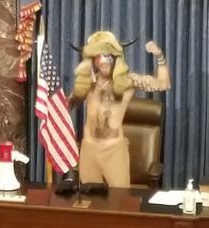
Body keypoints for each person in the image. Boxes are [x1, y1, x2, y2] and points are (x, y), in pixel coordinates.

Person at [68, 31, 171, 188]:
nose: (104, 61)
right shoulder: (87, 83)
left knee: (120, 202)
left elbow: (163, 84)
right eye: (99, 56)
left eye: (108, 56)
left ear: (115, 57)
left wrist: (160, 57)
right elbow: (68, 105)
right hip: (89, 151)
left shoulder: (127, 82)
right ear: (93, 60)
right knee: (91, 203)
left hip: (114, 152)